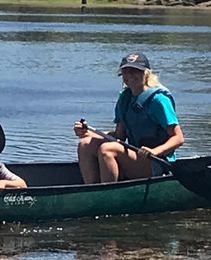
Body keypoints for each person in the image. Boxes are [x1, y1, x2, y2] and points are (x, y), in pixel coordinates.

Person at [73, 52, 185, 184]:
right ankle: (90, 191)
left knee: (107, 149)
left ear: (146, 73)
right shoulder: (125, 99)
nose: (130, 76)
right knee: (85, 144)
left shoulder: (159, 100)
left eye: (135, 71)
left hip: (158, 162)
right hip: (135, 157)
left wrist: (155, 151)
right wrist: (87, 133)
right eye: (126, 71)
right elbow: (119, 135)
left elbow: (178, 138)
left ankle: (107, 195)